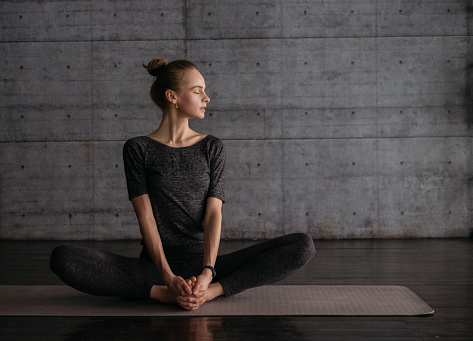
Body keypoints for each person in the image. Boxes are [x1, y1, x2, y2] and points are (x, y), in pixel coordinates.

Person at [50, 58, 315, 311]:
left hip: (206, 266)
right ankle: (163, 294)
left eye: (205, 92)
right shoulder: (138, 148)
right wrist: (167, 278)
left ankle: (209, 294)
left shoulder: (212, 147)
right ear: (172, 97)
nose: (206, 98)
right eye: (198, 91)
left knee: (302, 245)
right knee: (64, 257)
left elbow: (213, 214)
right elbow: (146, 218)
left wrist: (207, 275)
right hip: (155, 267)